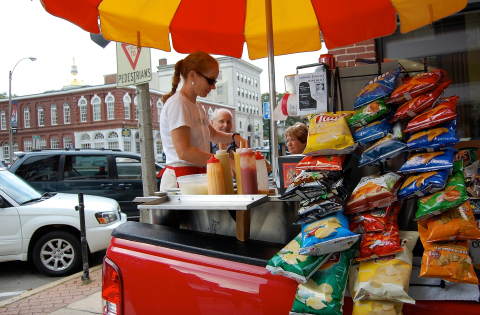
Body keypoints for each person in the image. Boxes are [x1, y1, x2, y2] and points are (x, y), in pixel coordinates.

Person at [159, 51, 247, 191]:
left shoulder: (197, 105)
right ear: (192, 75)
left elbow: (213, 134)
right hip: (181, 179)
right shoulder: (178, 103)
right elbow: (184, 152)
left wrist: (234, 137)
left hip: (195, 177)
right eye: (210, 81)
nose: (213, 87)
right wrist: (222, 161)